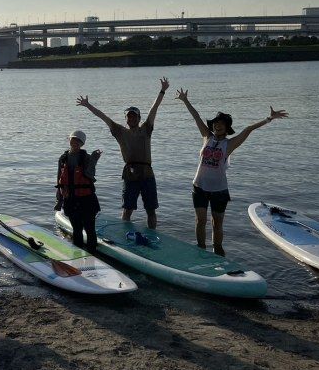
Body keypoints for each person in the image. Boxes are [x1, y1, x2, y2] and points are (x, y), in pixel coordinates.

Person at [176, 89, 288, 256]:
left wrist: (269, 118)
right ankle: (200, 252)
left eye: (221, 124)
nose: (217, 125)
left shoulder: (230, 144)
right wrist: (185, 100)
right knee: (200, 221)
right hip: (199, 187)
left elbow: (248, 129)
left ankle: (218, 253)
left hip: (219, 190)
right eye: (215, 123)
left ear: (227, 128)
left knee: (216, 224)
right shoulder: (206, 137)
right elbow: (196, 117)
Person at [77, 77, 169, 228]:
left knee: (151, 210)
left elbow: (154, 109)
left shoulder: (146, 129)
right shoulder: (120, 131)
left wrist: (162, 91)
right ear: (126, 119)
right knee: (127, 209)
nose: (132, 118)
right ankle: (125, 235)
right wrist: (88, 105)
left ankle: (153, 235)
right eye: (129, 116)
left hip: (147, 174)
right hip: (130, 174)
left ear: (139, 118)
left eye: (134, 116)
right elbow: (103, 117)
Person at [55, 130, 101, 253]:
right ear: (69, 140)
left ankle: (92, 255)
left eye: (78, 141)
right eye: (73, 139)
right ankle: (77, 256)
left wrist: (94, 160)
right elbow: (59, 178)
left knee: (90, 229)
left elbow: (90, 175)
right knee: (76, 229)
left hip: (87, 199)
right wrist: (59, 199)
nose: (75, 142)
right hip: (70, 199)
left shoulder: (87, 158)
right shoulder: (63, 158)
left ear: (82, 143)